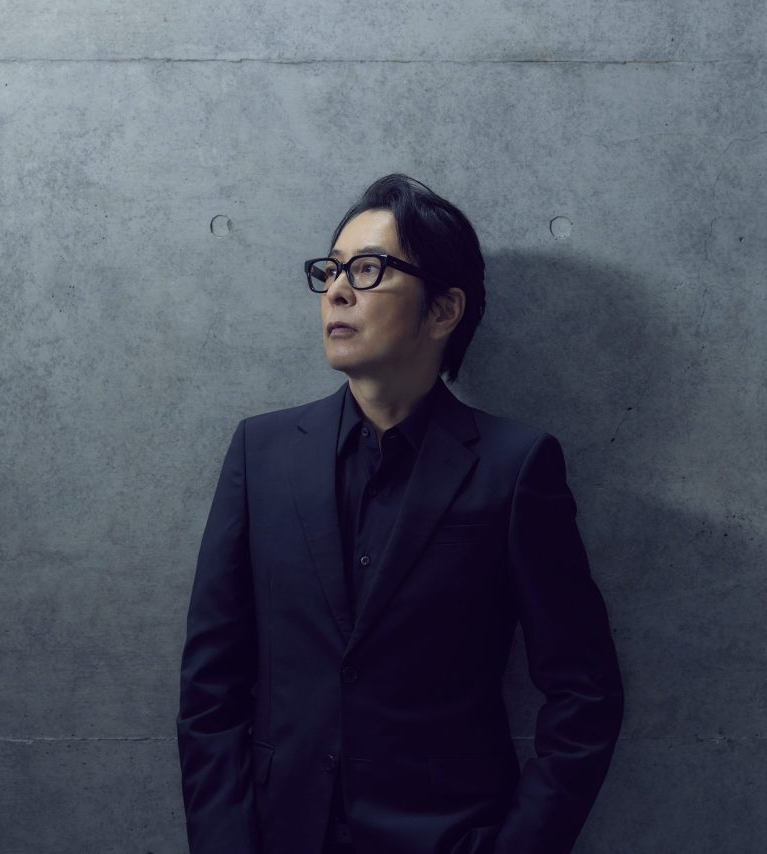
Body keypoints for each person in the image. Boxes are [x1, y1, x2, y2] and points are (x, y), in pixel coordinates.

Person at [176, 173, 624, 854]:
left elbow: (584, 692)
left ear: (443, 310)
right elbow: (211, 687)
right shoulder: (260, 453)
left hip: (449, 834)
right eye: (331, 270)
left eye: (368, 269)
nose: (337, 290)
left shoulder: (514, 466)